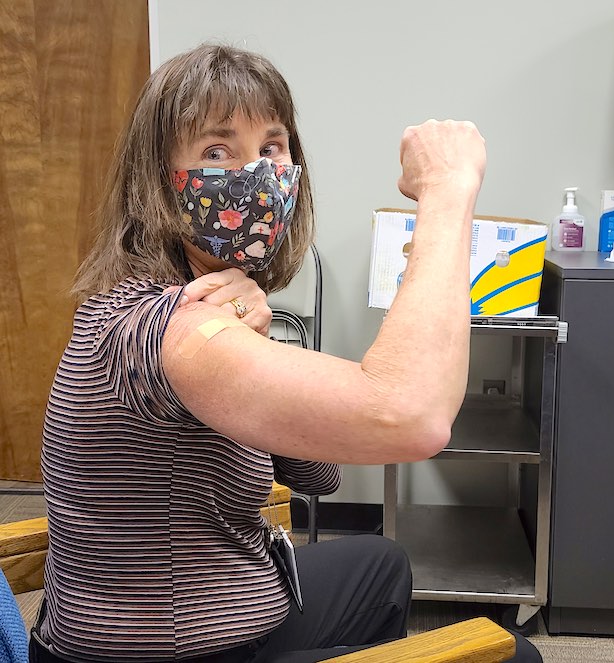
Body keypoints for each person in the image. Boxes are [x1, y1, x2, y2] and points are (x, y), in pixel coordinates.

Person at [31, 43, 542, 663]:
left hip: (219, 604)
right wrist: (446, 188)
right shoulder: (171, 331)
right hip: (170, 649)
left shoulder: (205, 314)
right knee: (515, 657)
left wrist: (257, 340)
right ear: (159, 183)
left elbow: (317, 474)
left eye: (271, 148)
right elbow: (412, 417)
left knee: (380, 564)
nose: (254, 174)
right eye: (216, 151)